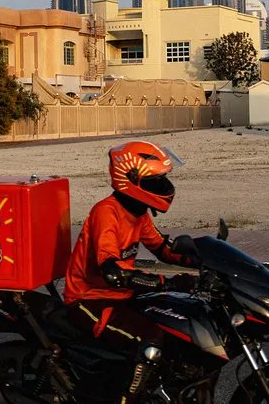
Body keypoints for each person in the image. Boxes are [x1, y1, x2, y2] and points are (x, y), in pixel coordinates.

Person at [63, 140, 198, 401]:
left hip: (121, 296)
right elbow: (114, 274)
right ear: (131, 179)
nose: (163, 187)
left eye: (162, 180)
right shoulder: (107, 212)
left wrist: (205, 259)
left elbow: (162, 248)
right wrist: (165, 282)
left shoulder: (137, 211)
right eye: (155, 181)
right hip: (88, 300)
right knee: (151, 341)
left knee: (176, 323)